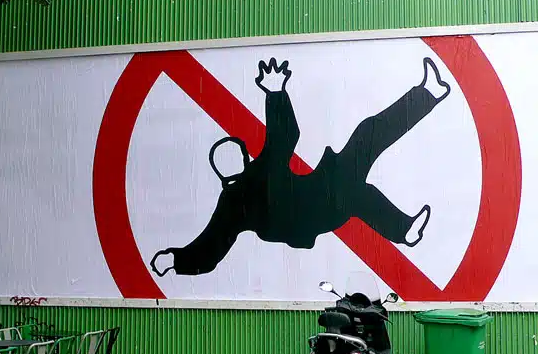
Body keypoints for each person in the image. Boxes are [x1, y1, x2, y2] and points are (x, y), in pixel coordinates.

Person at [151, 56, 451, 276]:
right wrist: (176, 260)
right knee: (359, 191)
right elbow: (210, 248)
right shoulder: (234, 200)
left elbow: (285, 136)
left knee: (365, 138)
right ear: (225, 174)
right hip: (316, 213)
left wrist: (275, 92)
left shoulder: (259, 170)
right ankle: (404, 229)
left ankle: (429, 92)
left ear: (244, 157)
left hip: (320, 192)